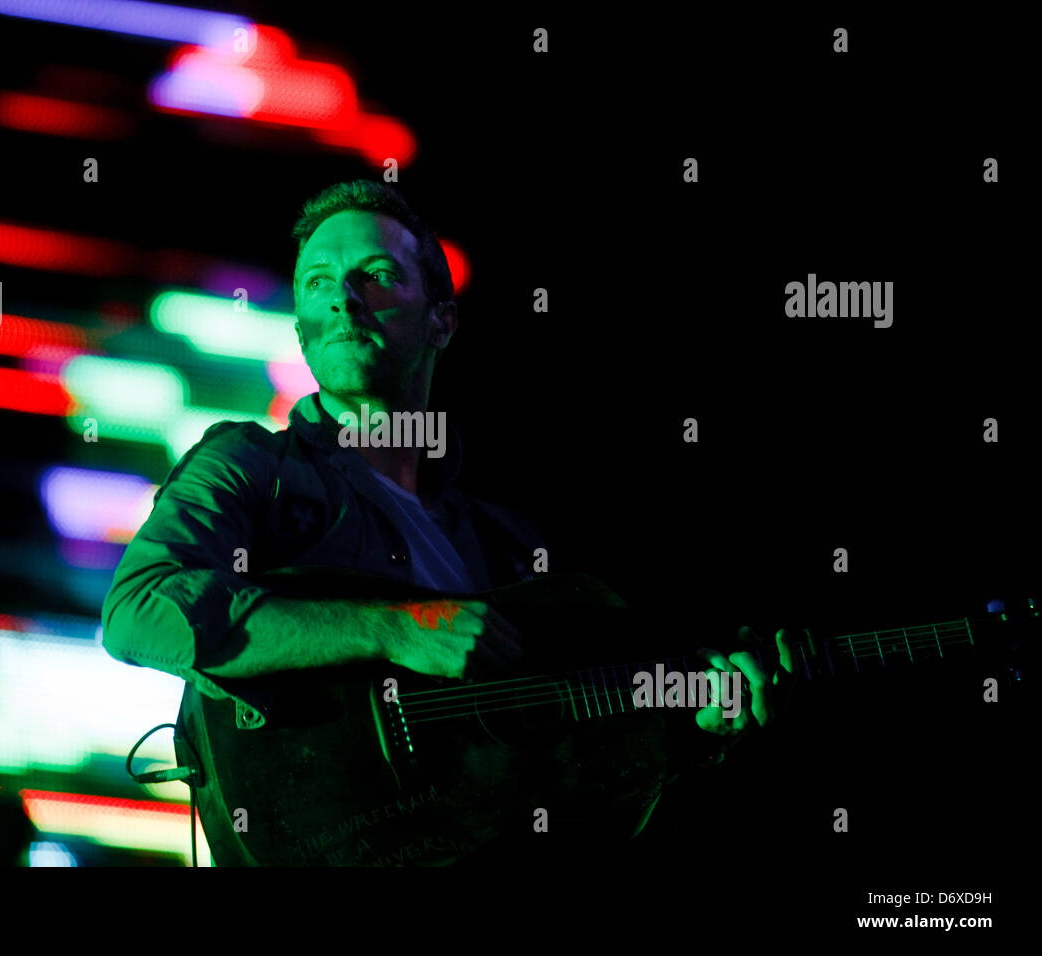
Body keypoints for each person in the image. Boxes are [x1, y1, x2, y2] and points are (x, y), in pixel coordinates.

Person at [101, 180, 794, 863]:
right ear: (302, 334)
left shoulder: (508, 546)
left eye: (376, 275)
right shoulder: (248, 466)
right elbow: (137, 612)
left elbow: (576, 769)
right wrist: (393, 627)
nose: (343, 299)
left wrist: (695, 722)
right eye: (318, 283)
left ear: (442, 319)